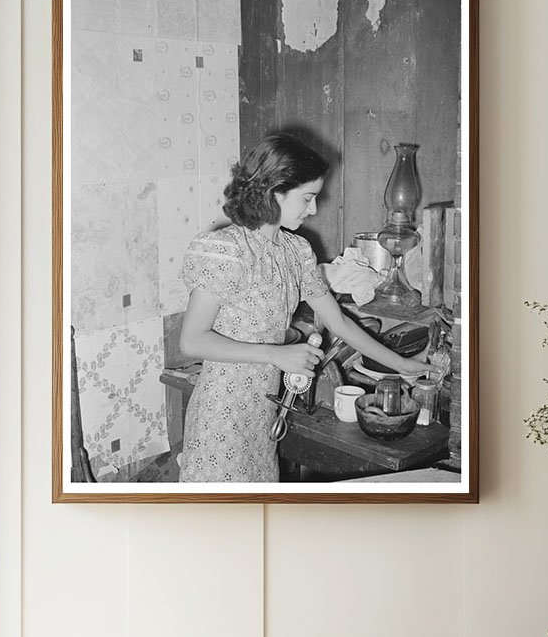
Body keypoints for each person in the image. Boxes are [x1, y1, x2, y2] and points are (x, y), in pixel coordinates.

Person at [178, 133, 437, 482]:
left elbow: (340, 324)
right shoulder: (225, 250)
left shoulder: (295, 250)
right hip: (221, 412)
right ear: (274, 191)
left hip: (264, 412)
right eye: (307, 198)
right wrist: (276, 355)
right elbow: (192, 341)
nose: (313, 209)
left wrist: (402, 365)